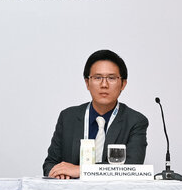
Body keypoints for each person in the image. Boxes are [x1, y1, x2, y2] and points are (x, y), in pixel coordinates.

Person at [43, 49, 148, 179]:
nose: (104, 85)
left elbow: (133, 168)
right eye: (97, 78)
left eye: (111, 78)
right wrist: (60, 174)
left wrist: (81, 171)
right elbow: (50, 164)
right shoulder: (68, 117)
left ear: (123, 84)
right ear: (87, 83)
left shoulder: (135, 121)